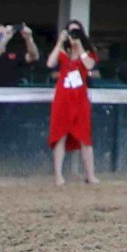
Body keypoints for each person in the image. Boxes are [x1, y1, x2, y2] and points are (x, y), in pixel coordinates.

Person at [47, 21, 98, 185]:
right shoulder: (62, 52)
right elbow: (50, 63)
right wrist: (60, 42)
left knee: (85, 137)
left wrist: (79, 48)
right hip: (63, 98)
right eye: (70, 32)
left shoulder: (88, 52)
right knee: (60, 135)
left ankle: (90, 175)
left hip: (80, 98)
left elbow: (89, 65)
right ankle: (58, 176)